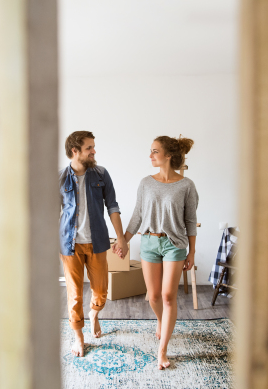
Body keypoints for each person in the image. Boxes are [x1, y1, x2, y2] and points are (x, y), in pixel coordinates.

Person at [119, 135, 198, 370]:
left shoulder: (186, 185)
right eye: (151, 151)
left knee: (167, 296)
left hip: (175, 244)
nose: (151, 155)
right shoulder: (146, 182)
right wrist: (124, 240)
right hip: (149, 243)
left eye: (155, 151)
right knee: (153, 297)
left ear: (168, 156)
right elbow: (138, 214)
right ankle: (162, 321)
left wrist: (191, 251)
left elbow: (191, 221)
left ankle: (162, 350)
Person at [59, 131, 128, 357]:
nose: (94, 151)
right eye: (89, 148)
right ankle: (78, 336)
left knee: (100, 291)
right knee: (75, 294)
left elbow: (113, 207)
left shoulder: (101, 174)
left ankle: (94, 314)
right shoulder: (59, 178)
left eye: (93, 147)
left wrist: (121, 238)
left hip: (97, 241)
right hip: (70, 245)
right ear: (75, 151)